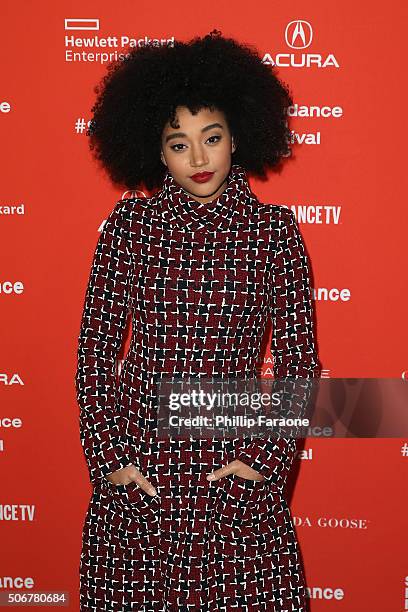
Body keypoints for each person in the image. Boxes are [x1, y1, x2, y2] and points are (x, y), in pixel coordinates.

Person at [75, 29, 321, 611]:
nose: (200, 157)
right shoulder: (129, 228)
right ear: (157, 152)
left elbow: (296, 364)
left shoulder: (275, 235)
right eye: (179, 144)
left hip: (233, 469)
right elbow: (94, 355)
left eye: (211, 137)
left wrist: (261, 464)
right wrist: (114, 462)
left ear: (237, 136)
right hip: (143, 473)